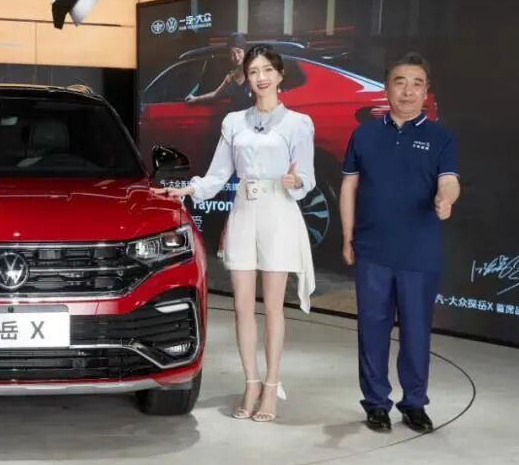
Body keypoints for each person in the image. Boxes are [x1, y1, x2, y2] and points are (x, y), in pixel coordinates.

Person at [158, 44, 316, 422]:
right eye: (254, 71)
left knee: (273, 307)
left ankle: (272, 386)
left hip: (279, 212)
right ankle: (251, 383)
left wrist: (295, 181)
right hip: (244, 211)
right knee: (242, 306)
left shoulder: (298, 123)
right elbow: (218, 174)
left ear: (279, 75)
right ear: (245, 77)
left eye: (267, 70)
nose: (260, 78)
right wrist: (189, 189)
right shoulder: (233, 122)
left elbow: (306, 177)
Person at [340, 52, 459, 434]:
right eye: (400, 82)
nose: (408, 91)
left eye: (416, 84)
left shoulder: (441, 137)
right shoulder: (364, 134)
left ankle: (414, 403)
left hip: (419, 252)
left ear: (426, 90)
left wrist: (446, 198)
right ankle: (376, 403)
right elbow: (349, 185)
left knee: (416, 332)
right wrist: (347, 235)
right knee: (372, 330)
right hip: (373, 249)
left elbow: (449, 180)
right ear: (386, 87)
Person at [184, 32, 252, 111]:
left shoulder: (254, 72)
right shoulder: (231, 77)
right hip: (237, 117)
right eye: (232, 53)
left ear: (244, 51)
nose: (236, 57)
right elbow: (215, 95)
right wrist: (196, 99)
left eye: (239, 52)